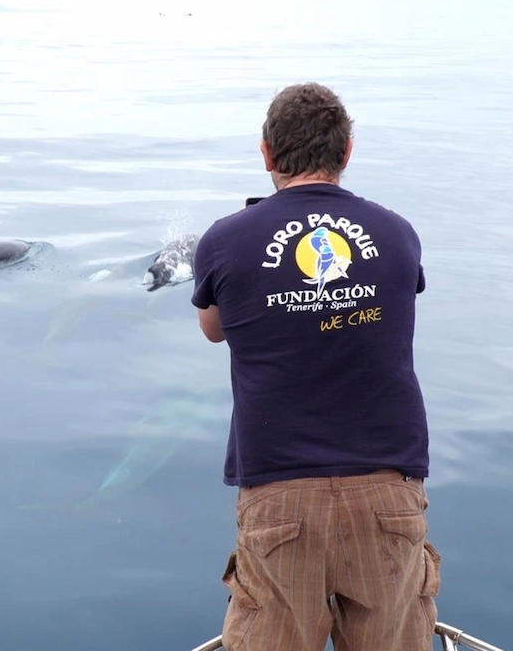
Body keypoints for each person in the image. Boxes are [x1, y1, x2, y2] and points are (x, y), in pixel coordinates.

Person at [190, 83, 440, 651]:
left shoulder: (225, 240)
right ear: (346, 152)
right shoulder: (398, 234)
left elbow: (213, 330)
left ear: (267, 155)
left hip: (280, 493)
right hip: (387, 489)